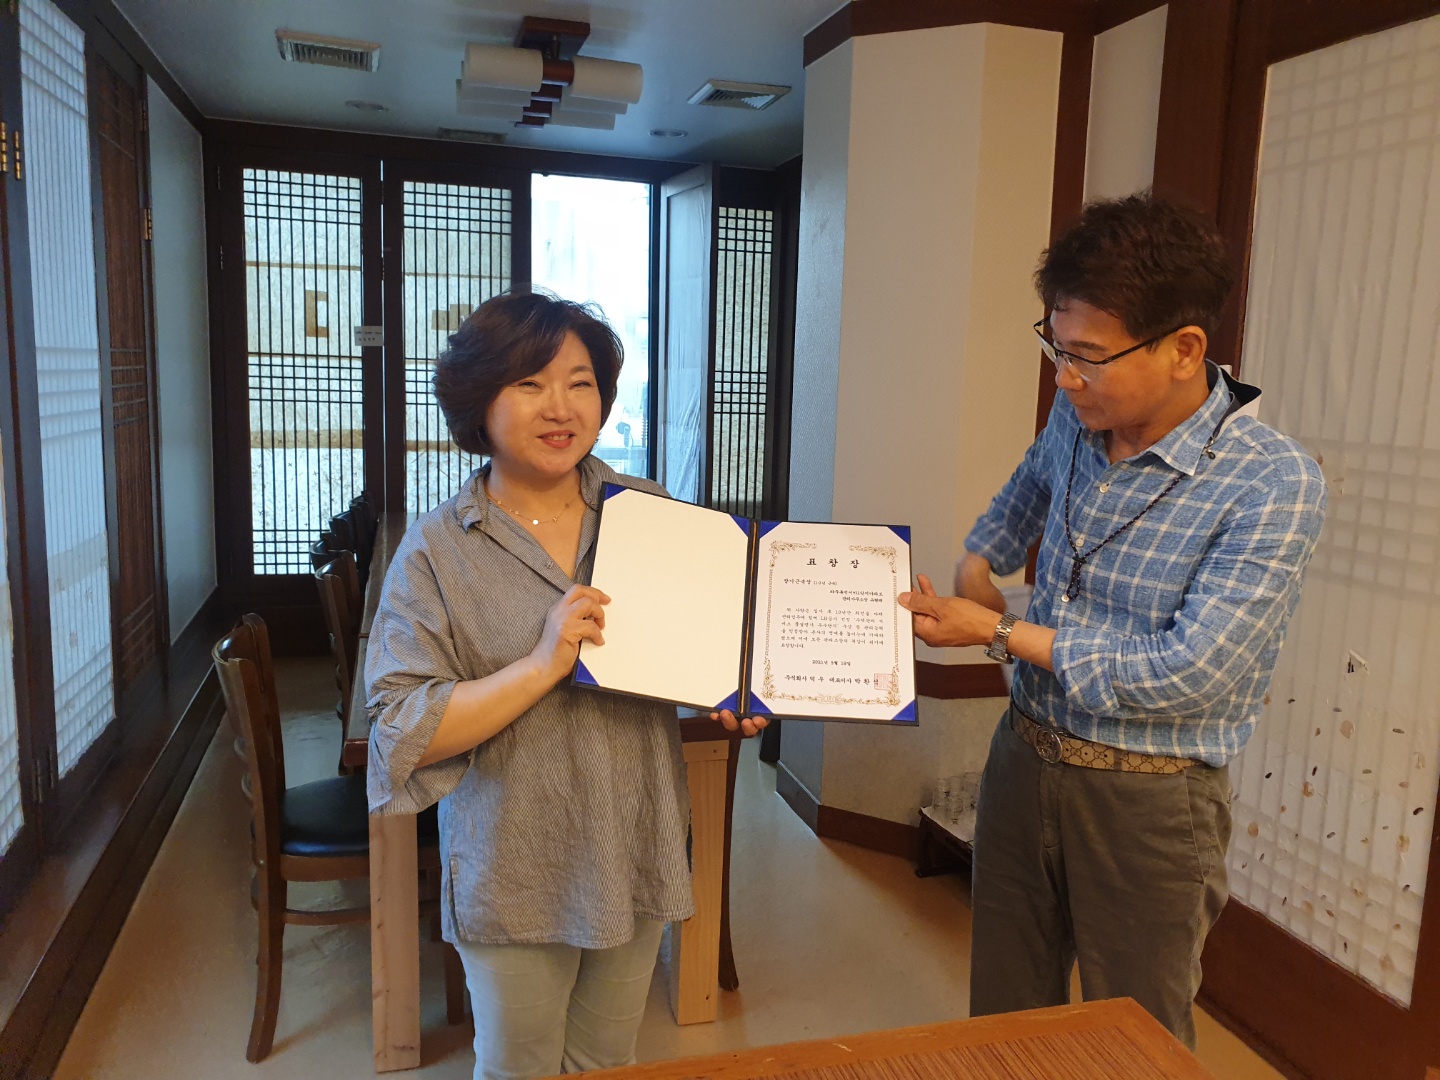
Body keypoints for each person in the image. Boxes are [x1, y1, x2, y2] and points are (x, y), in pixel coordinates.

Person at [897, 193, 1326, 1049]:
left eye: (1089, 357)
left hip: (1152, 799)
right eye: (1056, 347)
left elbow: (1189, 671)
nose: (1065, 378)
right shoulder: (1078, 413)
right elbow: (1024, 494)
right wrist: (979, 562)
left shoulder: (1274, 483)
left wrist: (997, 633)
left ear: (1184, 350)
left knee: (1134, 1039)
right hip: (1023, 759)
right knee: (1005, 1018)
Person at [366, 289, 693, 1080]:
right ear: (480, 403)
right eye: (530, 383)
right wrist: (541, 663)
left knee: (609, 1063)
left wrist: (738, 694)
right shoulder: (437, 549)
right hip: (516, 862)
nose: (561, 407)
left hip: (635, 841)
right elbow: (401, 727)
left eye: (581, 383)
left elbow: (694, 649)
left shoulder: (650, 515)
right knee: (519, 1067)